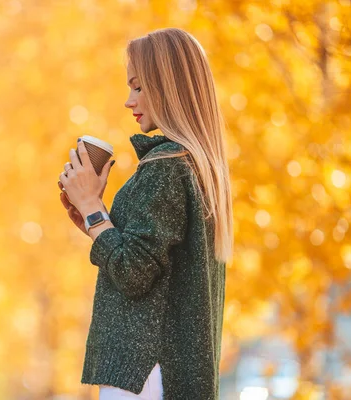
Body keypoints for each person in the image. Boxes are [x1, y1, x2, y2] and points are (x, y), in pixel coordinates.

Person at [58, 27, 233, 399]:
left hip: (146, 374)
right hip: (166, 372)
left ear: (168, 85)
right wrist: (96, 220)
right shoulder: (195, 166)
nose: (128, 100)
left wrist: (92, 210)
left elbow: (134, 273)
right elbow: (152, 262)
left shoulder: (165, 167)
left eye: (138, 87)